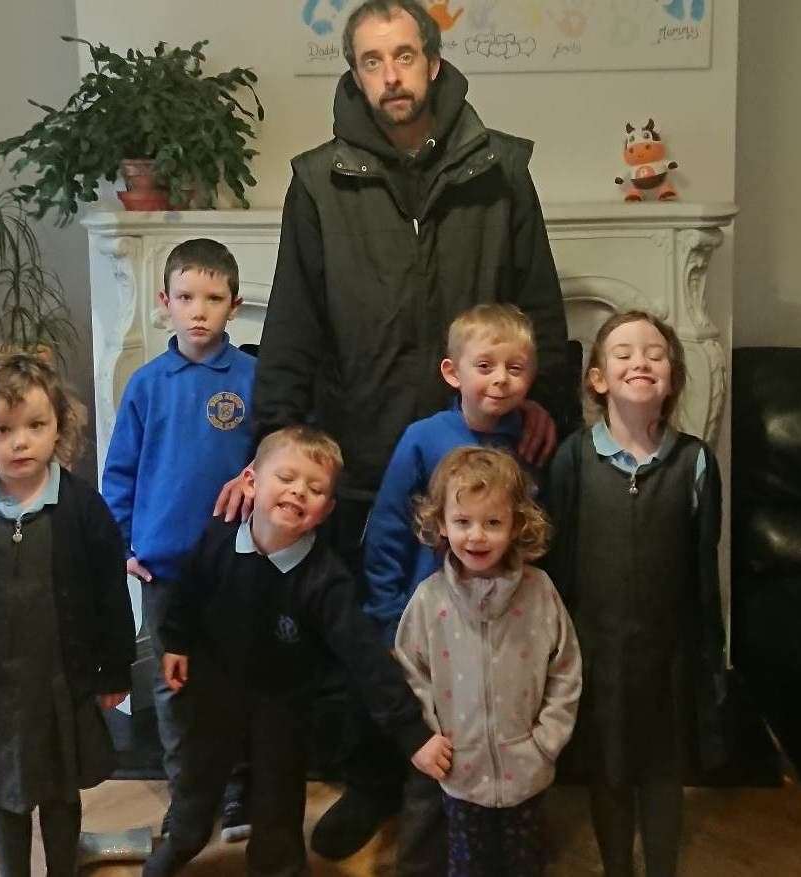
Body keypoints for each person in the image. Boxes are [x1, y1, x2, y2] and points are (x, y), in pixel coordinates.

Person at [220, 0, 578, 859]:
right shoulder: (316, 181)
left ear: (434, 62)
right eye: (373, 61)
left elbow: (541, 303)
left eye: (405, 56)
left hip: (479, 456)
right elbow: (294, 325)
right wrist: (272, 445)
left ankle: (499, 784)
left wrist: (546, 404)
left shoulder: (501, 170)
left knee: (484, 629)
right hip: (367, 448)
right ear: (354, 73)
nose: (392, 76)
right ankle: (381, 777)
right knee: (379, 632)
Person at [142, 426, 453, 877]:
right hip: (213, 696)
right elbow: (185, 590)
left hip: (283, 711)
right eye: (286, 478)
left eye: (314, 488)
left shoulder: (326, 581)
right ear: (251, 482)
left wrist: (414, 735)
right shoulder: (218, 536)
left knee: (278, 808)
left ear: (326, 510)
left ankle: (279, 865)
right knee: (195, 789)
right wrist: (175, 642)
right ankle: (182, 842)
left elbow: (367, 660)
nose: (297, 492)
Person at [0, 353, 135, 877]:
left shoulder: (82, 508)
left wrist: (115, 667)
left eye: (36, 426)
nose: (20, 442)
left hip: (61, 679)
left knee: (61, 791)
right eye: (4, 429)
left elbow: (109, 591)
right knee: (5, 793)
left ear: (59, 427)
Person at [545, 311, 728, 877]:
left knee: (662, 771)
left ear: (671, 379)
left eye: (654, 353)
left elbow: (703, 574)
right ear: (598, 378)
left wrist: (709, 662)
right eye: (623, 352)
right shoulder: (574, 458)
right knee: (610, 768)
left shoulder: (695, 462)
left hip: (669, 655)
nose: (640, 361)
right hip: (595, 651)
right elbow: (559, 562)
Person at [101, 238, 256, 842]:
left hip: (238, 561)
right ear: (163, 301)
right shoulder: (146, 384)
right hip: (164, 567)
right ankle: (189, 797)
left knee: (237, 676)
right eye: (186, 297)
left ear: (233, 306)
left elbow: (271, 457)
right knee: (174, 686)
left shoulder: (251, 377)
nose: (199, 311)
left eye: (213, 299)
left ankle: (241, 789)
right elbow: (121, 473)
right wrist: (124, 546)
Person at [394, 445, 581, 876]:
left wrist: (546, 741)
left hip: (528, 769)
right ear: (441, 523)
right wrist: (427, 738)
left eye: (493, 522)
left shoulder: (540, 592)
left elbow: (565, 668)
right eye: (463, 522)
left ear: (516, 524)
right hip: (460, 772)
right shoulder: (429, 601)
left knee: (525, 865)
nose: (476, 536)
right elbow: (409, 673)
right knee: (468, 866)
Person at [363, 303, 538, 645]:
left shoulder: (531, 443)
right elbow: (388, 531)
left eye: (515, 368)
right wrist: (389, 619)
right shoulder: (422, 438)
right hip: (427, 619)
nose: (501, 378)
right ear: (453, 372)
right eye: (485, 366)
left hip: (507, 625)